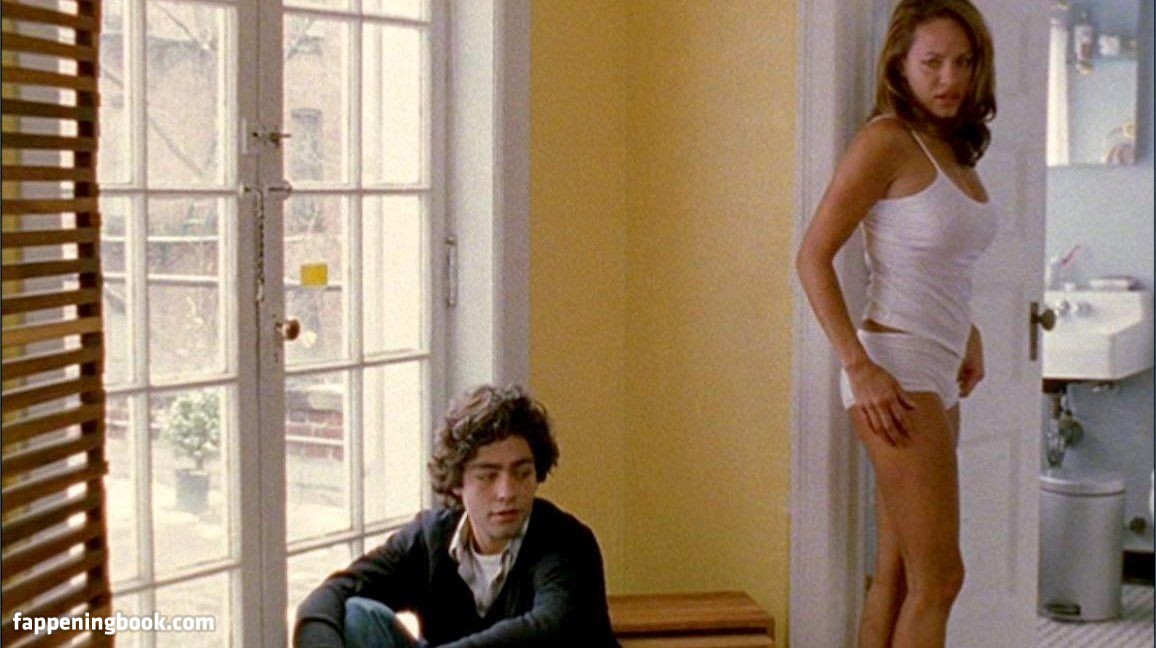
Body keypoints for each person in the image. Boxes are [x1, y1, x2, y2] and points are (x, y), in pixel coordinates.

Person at [795, 1, 998, 647]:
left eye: (962, 61)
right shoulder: (886, 140)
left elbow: (935, 261)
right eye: (932, 62)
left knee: (900, 574)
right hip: (896, 370)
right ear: (900, 66)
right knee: (941, 580)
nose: (950, 78)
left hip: (937, 366)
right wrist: (859, 367)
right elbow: (812, 257)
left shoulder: (953, 146)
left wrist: (967, 331)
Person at [294, 384, 617, 647]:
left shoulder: (566, 541)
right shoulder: (429, 539)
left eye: (522, 473)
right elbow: (330, 596)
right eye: (488, 476)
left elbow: (549, 628)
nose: (507, 492)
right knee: (357, 615)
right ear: (458, 482)